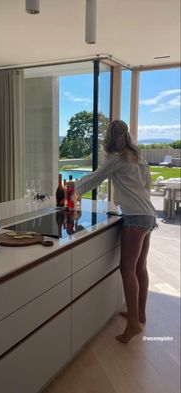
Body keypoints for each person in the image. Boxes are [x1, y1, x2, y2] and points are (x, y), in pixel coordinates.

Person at [75, 120, 157, 343]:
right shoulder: (138, 158)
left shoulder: (117, 159)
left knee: (127, 268)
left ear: (109, 139)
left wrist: (73, 191)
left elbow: (94, 178)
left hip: (135, 217)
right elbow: (147, 186)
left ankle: (132, 325)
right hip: (149, 214)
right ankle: (139, 313)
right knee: (141, 267)